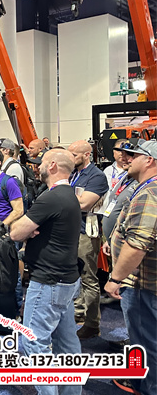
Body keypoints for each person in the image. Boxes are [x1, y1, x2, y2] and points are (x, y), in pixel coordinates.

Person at [10, 149, 82, 395]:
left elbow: (16, 232)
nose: (37, 166)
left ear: (52, 166)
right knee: (67, 344)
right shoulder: (70, 195)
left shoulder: (51, 198)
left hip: (48, 281)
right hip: (66, 279)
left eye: (41, 162)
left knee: (34, 343)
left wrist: (26, 230)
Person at [105, 139, 157, 395]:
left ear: (149, 160)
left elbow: (138, 245)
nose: (127, 158)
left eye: (134, 155)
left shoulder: (150, 192)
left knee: (147, 345)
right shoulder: (145, 187)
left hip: (142, 284)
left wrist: (116, 278)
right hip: (143, 283)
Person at [67, 140, 109, 339]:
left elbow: (84, 204)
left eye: (74, 155)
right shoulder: (72, 173)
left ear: (86, 155)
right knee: (72, 275)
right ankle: (78, 313)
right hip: (70, 230)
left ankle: (92, 323)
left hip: (86, 231)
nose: (70, 158)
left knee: (88, 277)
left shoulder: (96, 176)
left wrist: (62, 195)